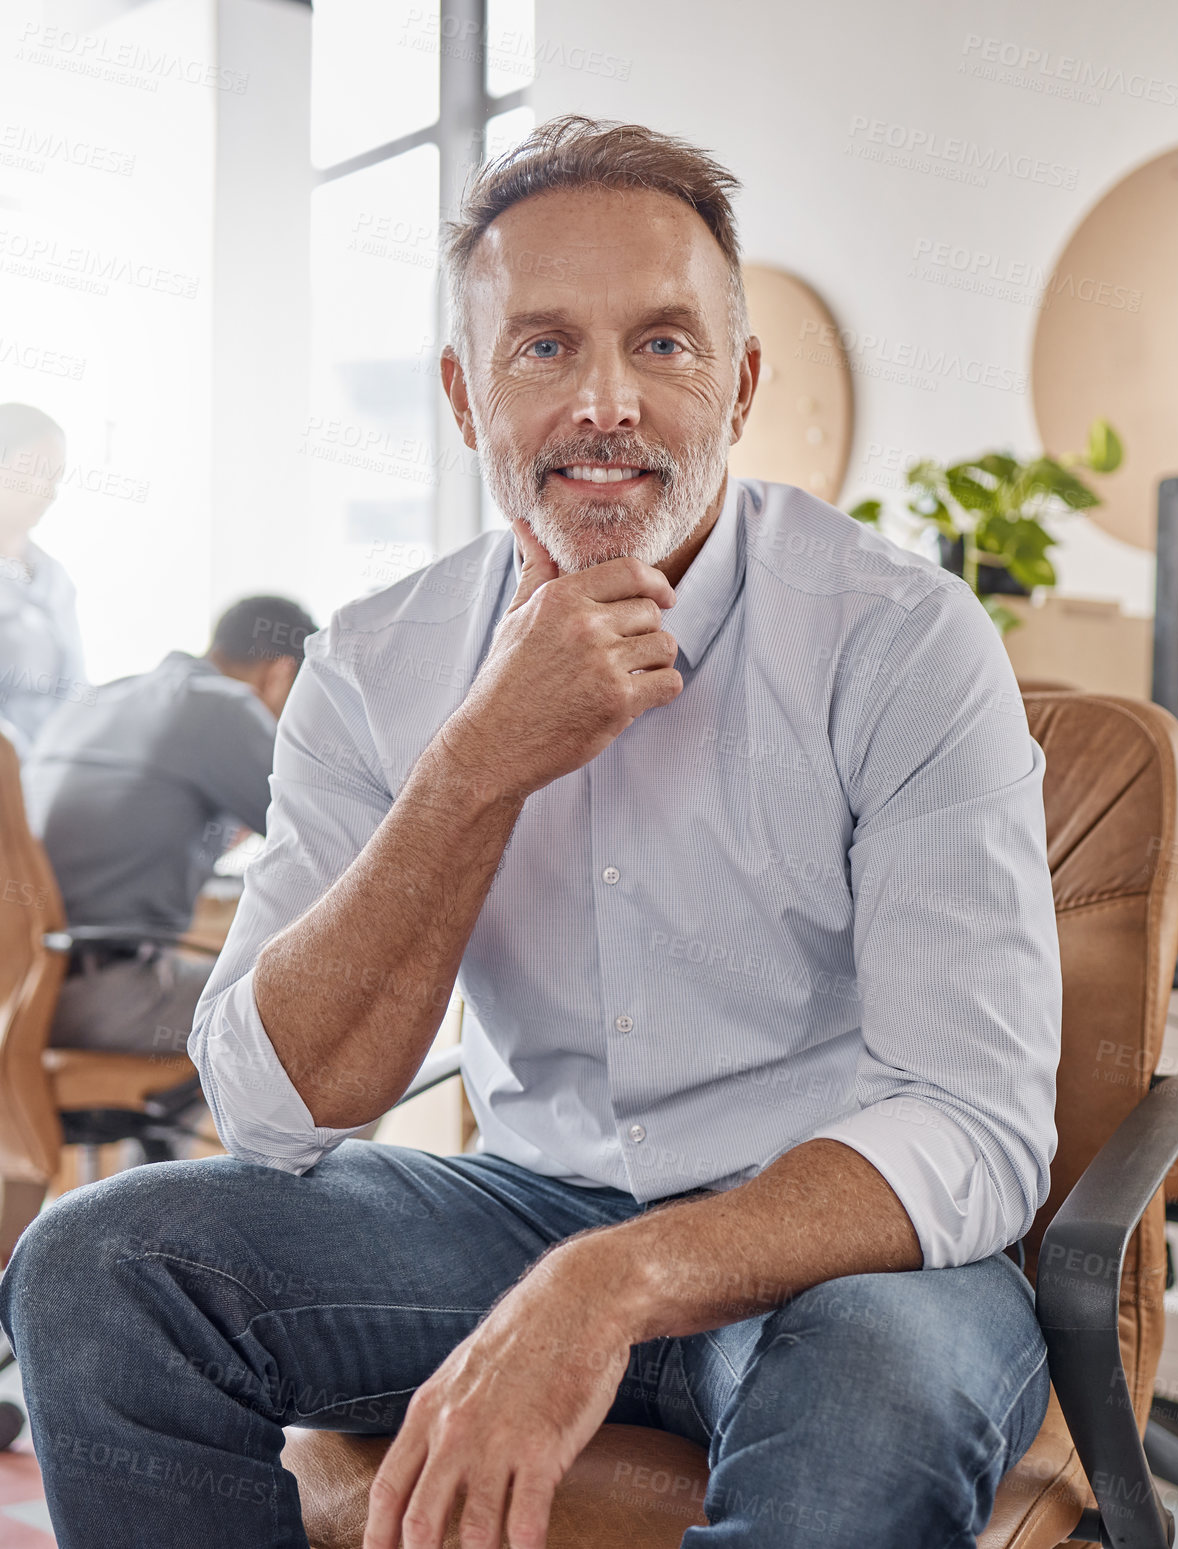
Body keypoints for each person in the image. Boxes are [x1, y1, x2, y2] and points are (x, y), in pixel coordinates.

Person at [0, 118, 1061, 1549]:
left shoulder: (898, 636)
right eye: (544, 347)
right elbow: (272, 1105)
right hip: (515, 1204)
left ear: (739, 380)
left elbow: (976, 1122)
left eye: (665, 346)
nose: (603, 404)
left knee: (877, 1401)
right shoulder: (378, 660)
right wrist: (476, 766)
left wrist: (606, 1283)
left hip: (836, 1234)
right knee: (97, 1260)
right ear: (463, 392)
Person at [23, 594, 316, 1055]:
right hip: (101, 993)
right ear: (279, 675)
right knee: (332, 1013)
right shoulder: (225, 706)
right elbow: (331, 840)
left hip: (22, 988)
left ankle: (173, 1124)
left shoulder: (99, 698)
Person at [0, 404, 86, 759]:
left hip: (51, 773)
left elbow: (75, 691)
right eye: (37, 471)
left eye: (56, 476)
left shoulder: (55, 578)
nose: (49, 492)